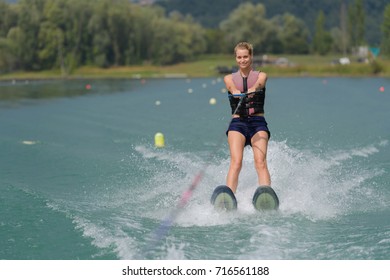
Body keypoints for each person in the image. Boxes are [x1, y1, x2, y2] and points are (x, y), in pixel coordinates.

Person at [224, 42, 271, 194]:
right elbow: (231, 88)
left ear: (251, 57)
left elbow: (259, 83)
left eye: (245, 56)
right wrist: (237, 91)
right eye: (239, 57)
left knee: (260, 162)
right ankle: (229, 196)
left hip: (257, 123)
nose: (242, 60)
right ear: (235, 58)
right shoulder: (228, 78)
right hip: (238, 123)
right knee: (236, 162)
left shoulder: (261, 75)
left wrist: (253, 88)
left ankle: (265, 194)